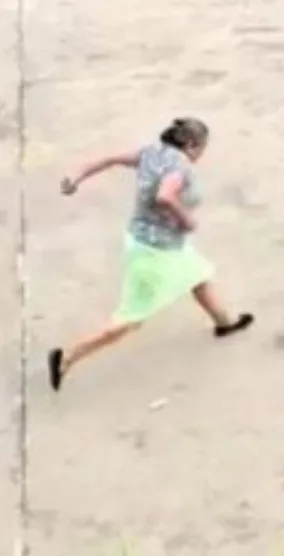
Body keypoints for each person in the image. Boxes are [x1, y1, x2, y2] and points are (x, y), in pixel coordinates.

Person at [48, 117, 254, 391]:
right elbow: (165, 196)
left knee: (198, 275)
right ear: (192, 145)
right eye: (203, 147)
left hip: (152, 239)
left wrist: (77, 176)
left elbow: (109, 159)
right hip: (155, 251)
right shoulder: (180, 166)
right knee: (130, 319)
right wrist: (185, 220)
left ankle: (224, 322)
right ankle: (67, 358)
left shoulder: (151, 153)